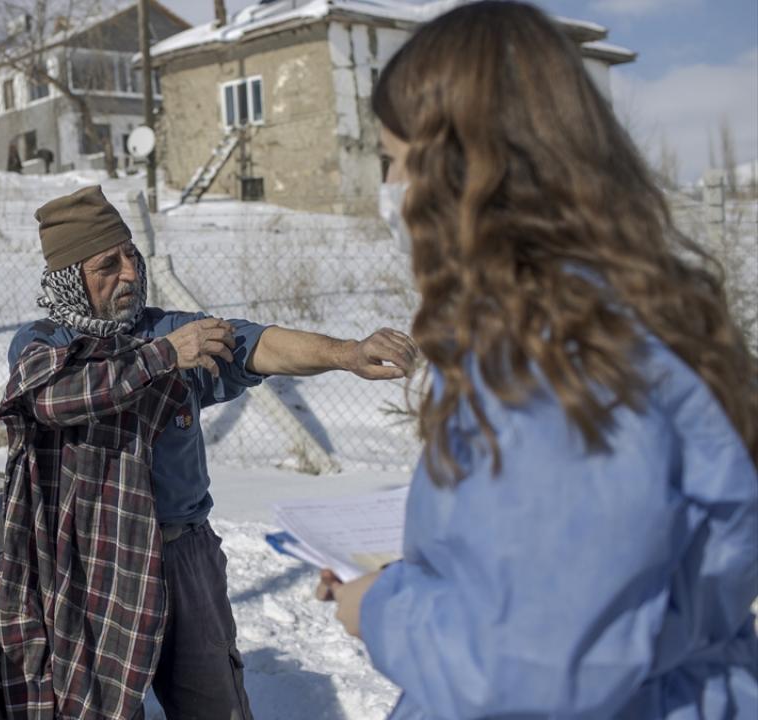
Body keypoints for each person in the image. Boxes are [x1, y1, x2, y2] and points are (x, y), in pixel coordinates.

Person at [324, 2, 758, 718]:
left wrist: (380, 609)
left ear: (464, 169)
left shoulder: (560, 358)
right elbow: (575, 581)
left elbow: (532, 671)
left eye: (395, 163)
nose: (392, 193)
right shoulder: (633, 313)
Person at [0, 184, 419, 720]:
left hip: (184, 555)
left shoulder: (169, 330)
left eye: (131, 256)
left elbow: (256, 345)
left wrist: (347, 353)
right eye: (107, 265)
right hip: (95, 562)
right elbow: (54, 400)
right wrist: (164, 357)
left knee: (216, 705)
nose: (128, 273)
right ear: (71, 279)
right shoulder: (43, 346)